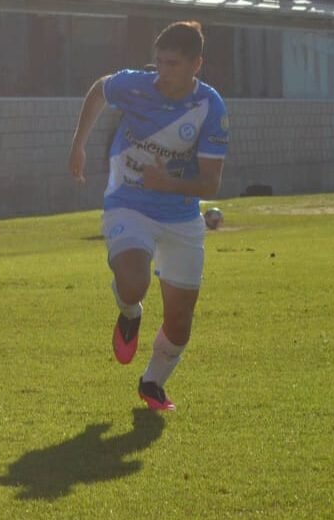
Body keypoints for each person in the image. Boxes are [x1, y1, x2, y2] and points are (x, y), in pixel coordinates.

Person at [68, 21, 229, 411]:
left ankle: (152, 382)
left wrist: (166, 182)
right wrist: (79, 145)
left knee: (179, 322)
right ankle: (129, 311)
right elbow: (99, 89)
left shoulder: (210, 107)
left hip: (181, 216)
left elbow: (210, 185)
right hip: (128, 201)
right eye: (159, 62)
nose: (162, 72)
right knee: (134, 282)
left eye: (172, 64)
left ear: (196, 65)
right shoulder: (135, 85)